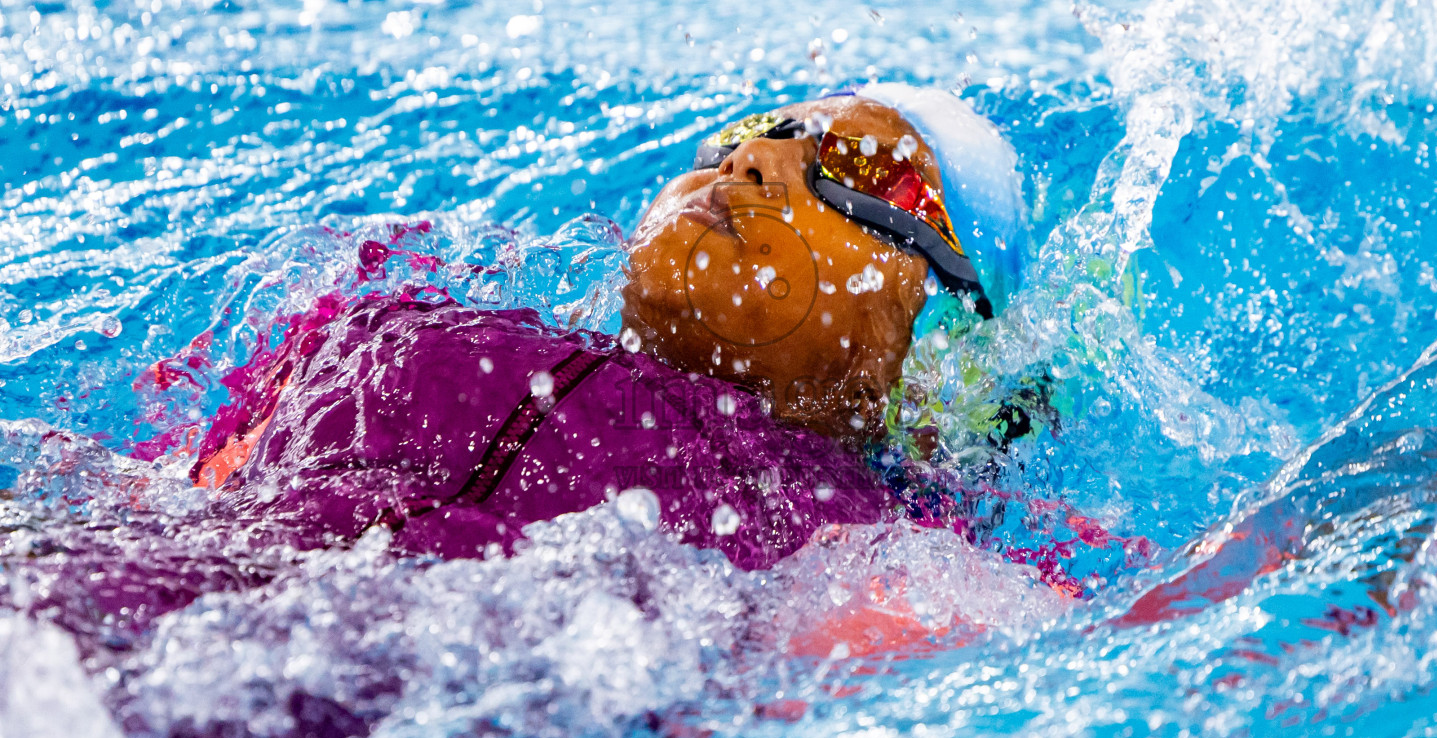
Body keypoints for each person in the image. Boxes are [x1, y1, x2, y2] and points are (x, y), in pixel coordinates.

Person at [192, 85, 1031, 571]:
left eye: (860, 169)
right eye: (751, 132)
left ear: (932, 365)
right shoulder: (385, 323)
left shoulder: (848, 536)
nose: (756, 160)